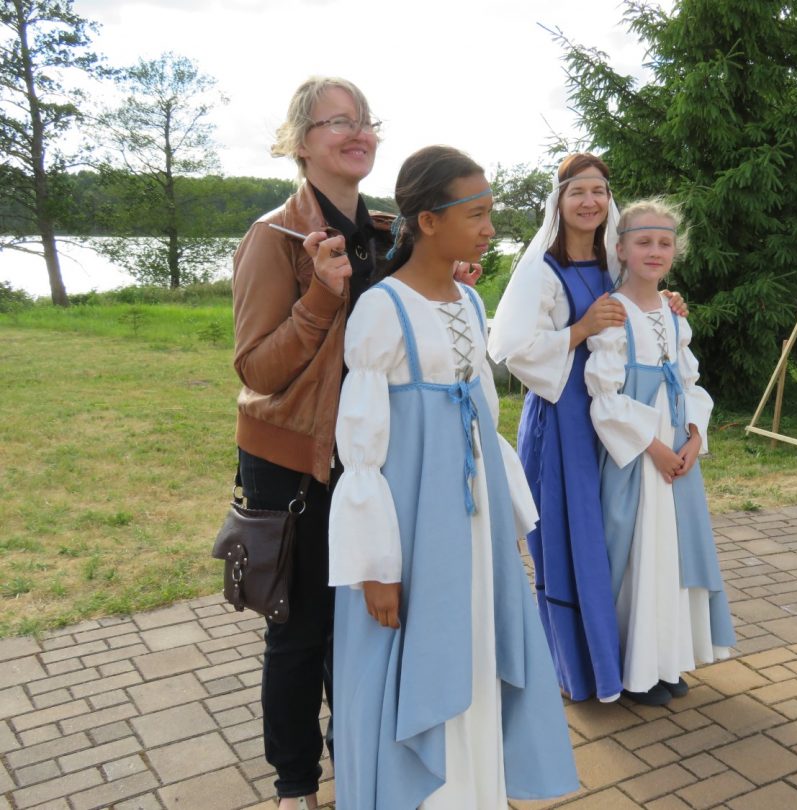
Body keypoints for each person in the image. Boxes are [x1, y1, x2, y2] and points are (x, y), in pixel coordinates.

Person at [328, 145, 578, 810]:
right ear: (429, 222)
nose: (490, 229)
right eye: (477, 214)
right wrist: (375, 565)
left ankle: (475, 791)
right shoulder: (382, 309)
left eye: (490, 213)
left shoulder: (469, 301)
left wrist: (505, 516)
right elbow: (361, 449)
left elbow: (485, 421)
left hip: (473, 518)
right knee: (422, 646)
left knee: (478, 640)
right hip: (415, 526)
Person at [231, 76, 386, 810]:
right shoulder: (274, 238)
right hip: (294, 463)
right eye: (337, 122)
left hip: (368, 462)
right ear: (301, 143)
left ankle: (355, 758)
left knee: (358, 627)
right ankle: (295, 784)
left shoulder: (385, 237)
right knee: (299, 635)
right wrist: (322, 296)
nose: (358, 133)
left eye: (365, 120)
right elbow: (257, 369)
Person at [488, 154, 686, 703]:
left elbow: (639, 300)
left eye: (599, 190)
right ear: (559, 200)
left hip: (618, 414)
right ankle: (587, 669)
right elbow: (513, 349)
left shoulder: (613, 262)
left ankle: (638, 660)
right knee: (574, 540)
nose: (590, 201)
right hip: (564, 421)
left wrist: (665, 303)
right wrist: (579, 329)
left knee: (620, 538)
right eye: (578, 191)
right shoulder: (542, 269)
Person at [585, 198, 736, 706]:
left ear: (676, 251)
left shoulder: (673, 315)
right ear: (621, 249)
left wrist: (692, 438)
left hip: (676, 452)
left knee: (674, 554)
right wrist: (653, 447)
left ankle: (667, 660)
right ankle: (637, 668)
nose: (655, 251)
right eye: (644, 241)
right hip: (640, 458)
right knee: (640, 556)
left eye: (665, 243)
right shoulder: (613, 314)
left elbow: (688, 381)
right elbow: (605, 397)